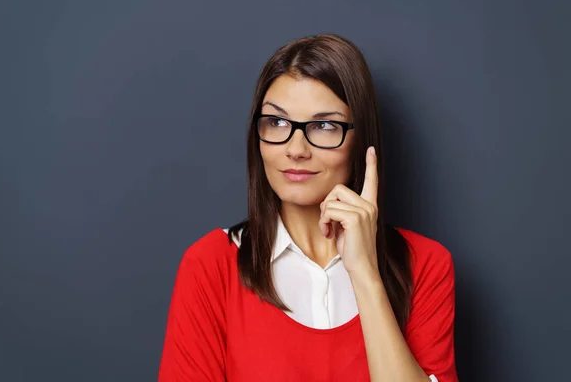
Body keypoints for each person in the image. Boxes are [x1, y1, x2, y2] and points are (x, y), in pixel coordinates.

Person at [158, 34, 458, 381]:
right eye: (277, 123)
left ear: (361, 139)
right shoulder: (210, 265)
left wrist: (365, 274)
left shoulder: (425, 265)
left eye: (325, 125)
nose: (296, 148)